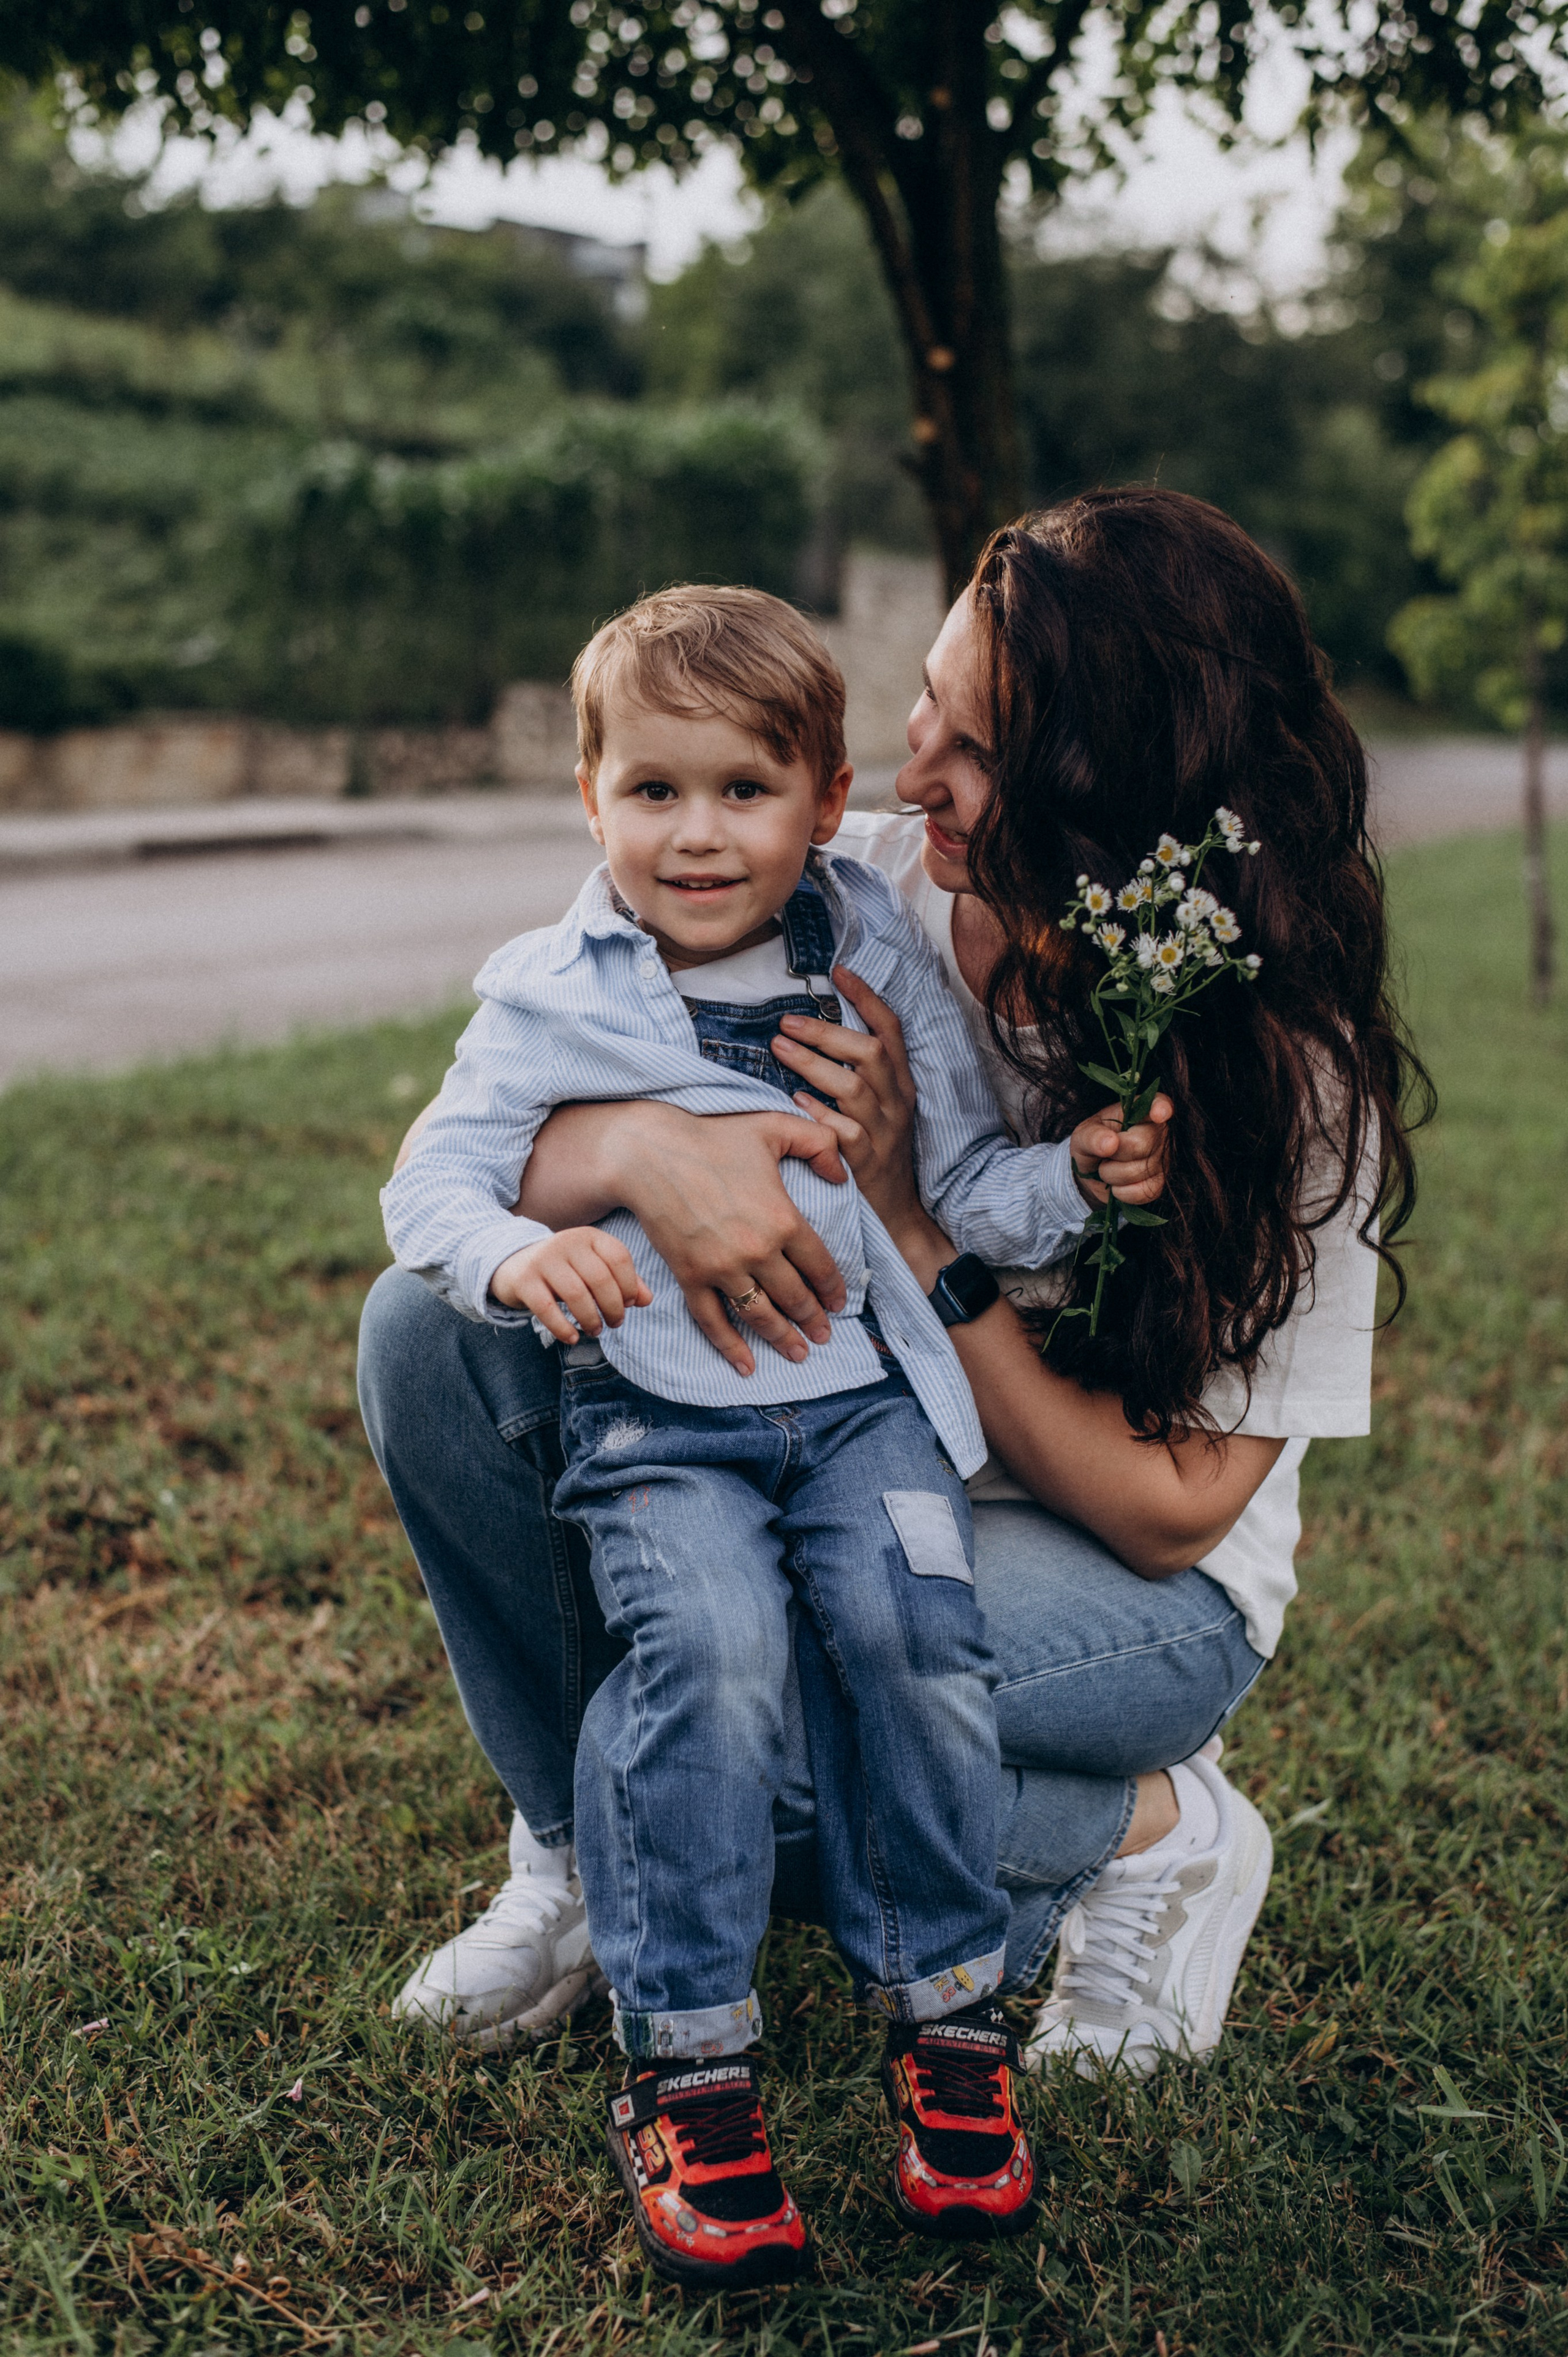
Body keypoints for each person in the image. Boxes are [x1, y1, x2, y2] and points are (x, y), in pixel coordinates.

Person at [360, 488, 1424, 2122]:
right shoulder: (843, 887)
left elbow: (1170, 1514)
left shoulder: (1280, 1069)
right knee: (434, 1335)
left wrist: (913, 1212)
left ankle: (1155, 1833)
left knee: (754, 1733)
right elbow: (492, 1129)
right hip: (795, 1455)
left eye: (987, 751)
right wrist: (646, 1148)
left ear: (1120, 794)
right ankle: (580, 1863)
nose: (922, 769)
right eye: (931, 701)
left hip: (1116, 1580)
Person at [380, 584, 1164, 2284]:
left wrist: (1072, 1183)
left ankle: (950, 2028)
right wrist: (524, 1250)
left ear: (824, 801)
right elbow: (427, 1184)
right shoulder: (550, 991)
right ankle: (691, 2066)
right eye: (652, 790)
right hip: (658, 1426)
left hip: (865, 1414)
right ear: (590, 798)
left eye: (744, 789)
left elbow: (949, 1184)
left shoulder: (866, 966)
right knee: (714, 1659)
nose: (698, 833)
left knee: (913, 1637)